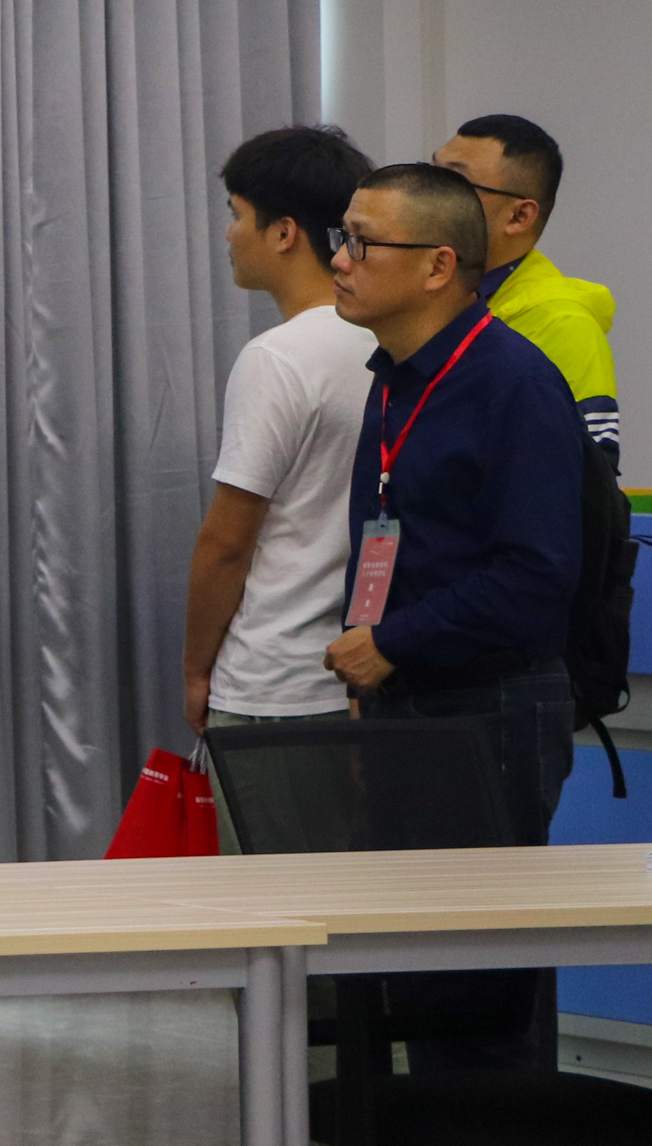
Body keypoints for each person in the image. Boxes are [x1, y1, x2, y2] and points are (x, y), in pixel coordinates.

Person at [326, 163, 581, 1075]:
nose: (338, 260)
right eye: (342, 237)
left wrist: (389, 642)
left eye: (361, 243)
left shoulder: (511, 383)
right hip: (405, 699)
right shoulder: (392, 378)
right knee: (424, 979)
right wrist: (371, 671)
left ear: (438, 265)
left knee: (481, 995)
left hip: (487, 706)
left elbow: (535, 575)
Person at [182, 128, 379, 851]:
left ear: (285, 232)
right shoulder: (391, 341)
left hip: (274, 687)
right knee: (356, 907)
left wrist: (195, 671)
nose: (229, 235)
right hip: (367, 678)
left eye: (236, 214)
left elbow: (227, 542)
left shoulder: (278, 358)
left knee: (275, 914)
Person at [431, 114, 619, 464]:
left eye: (454, 181)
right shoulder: (433, 298)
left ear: (519, 216)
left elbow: (583, 481)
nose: (426, 195)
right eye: (431, 173)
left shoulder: (563, 326)